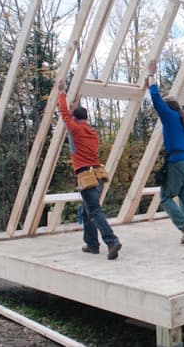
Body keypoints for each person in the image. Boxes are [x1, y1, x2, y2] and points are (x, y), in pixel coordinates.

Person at [56, 79, 122, 260]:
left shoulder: (76, 130)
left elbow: (64, 114)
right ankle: (92, 244)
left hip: (86, 176)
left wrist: (61, 91)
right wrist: (74, 108)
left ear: (76, 119)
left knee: (94, 211)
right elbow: (71, 118)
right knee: (87, 212)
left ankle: (111, 241)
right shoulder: (92, 133)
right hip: (99, 174)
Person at [145, 60, 184, 245]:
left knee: (166, 197)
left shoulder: (169, 116)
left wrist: (151, 76)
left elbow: (156, 99)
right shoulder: (180, 120)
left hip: (176, 161)